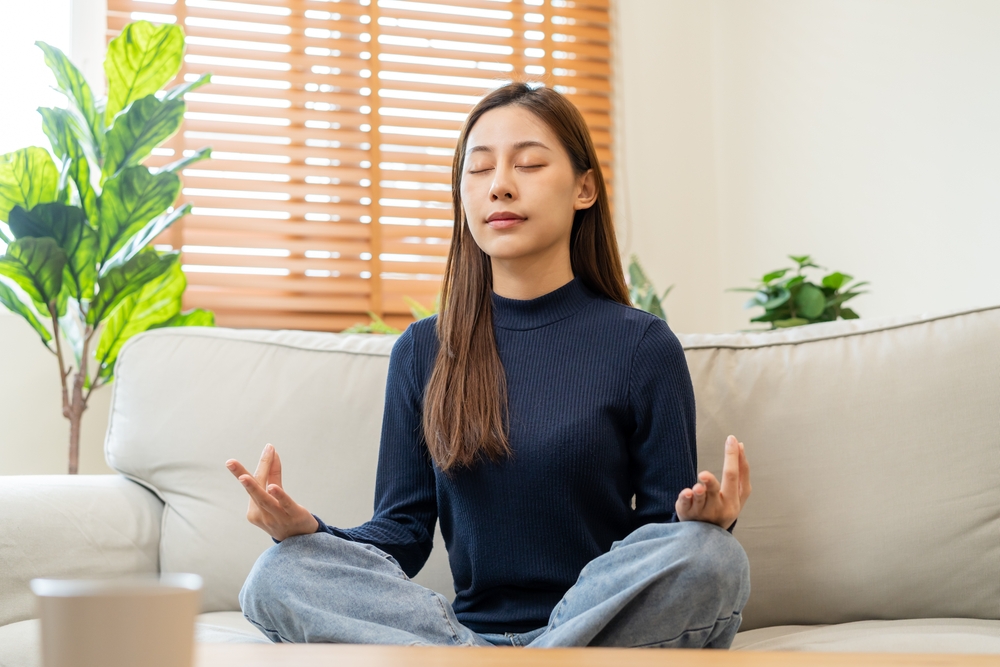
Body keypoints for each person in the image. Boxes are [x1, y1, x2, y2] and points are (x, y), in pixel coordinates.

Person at [225, 81, 752, 649]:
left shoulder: (642, 345)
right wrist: (312, 534)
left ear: (584, 189)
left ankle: (536, 659)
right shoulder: (422, 351)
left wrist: (704, 522)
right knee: (280, 573)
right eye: (478, 170)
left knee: (712, 557)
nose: (500, 185)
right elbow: (401, 533)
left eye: (527, 164)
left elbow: (660, 536)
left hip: (594, 625)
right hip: (466, 635)